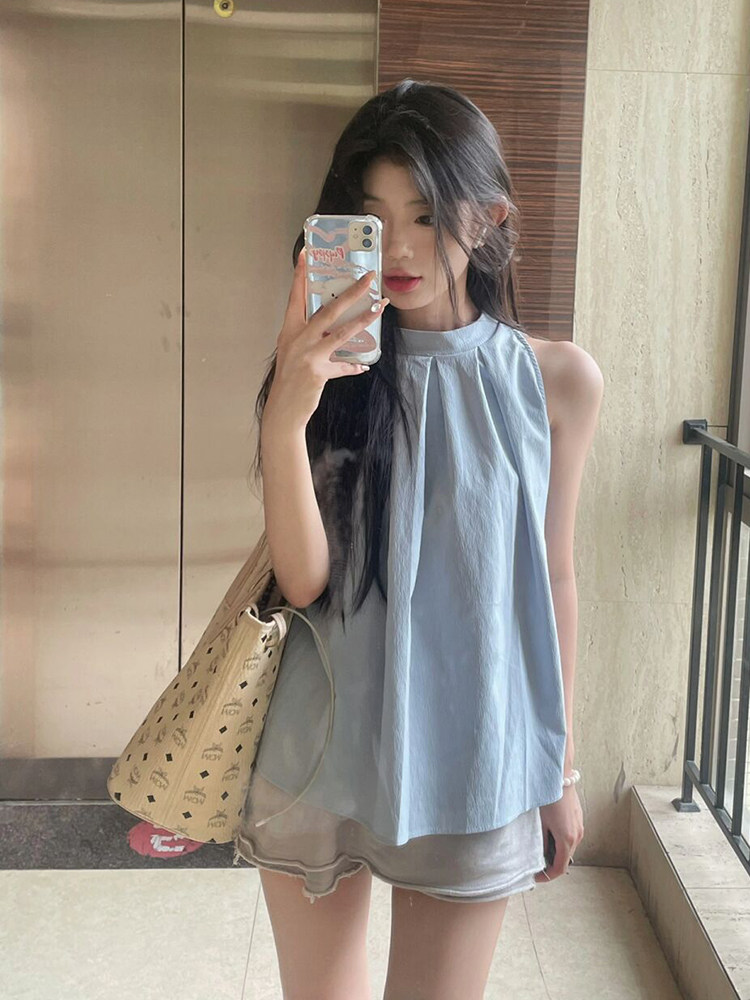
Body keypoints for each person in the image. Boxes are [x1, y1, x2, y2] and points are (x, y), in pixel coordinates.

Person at [233, 78, 603, 1000]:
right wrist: (288, 410)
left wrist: (559, 770)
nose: (397, 248)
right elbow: (304, 581)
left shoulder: (556, 382)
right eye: (373, 217)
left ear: (489, 218)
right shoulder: (332, 372)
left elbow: (553, 578)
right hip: (320, 749)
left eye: (428, 215)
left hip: (476, 758)